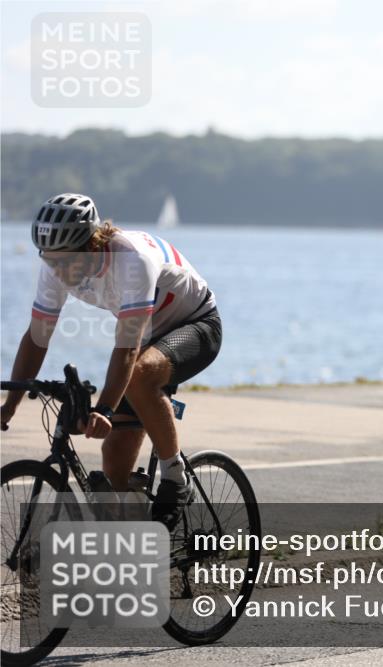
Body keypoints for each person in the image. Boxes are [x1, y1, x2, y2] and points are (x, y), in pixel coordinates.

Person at [1, 193, 222, 527]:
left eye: (65, 261)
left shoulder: (131, 260)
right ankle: (130, 544)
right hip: (148, 336)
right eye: (50, 260)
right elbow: (36, 337)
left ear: (92, 245)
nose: (58, 270)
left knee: (138, 376)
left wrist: (104, 408)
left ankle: (176, 477)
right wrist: (10, 403)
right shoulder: (56, 266)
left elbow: (127, 348)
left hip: (195, 323)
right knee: (115, 455)